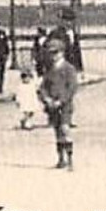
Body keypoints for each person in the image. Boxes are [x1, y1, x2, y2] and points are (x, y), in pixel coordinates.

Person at [37, 34, 81, 170]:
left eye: (56, 53)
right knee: (57, 131)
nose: (53, 56)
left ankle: (70, 158)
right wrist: (46, 99)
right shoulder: (49, 70)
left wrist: (61, 100)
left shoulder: (68, 69)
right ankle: (60, 158)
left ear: (62, 53)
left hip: (64, 105)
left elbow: (72, 87)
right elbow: (43, 87)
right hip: (52, 105)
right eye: (51, 53)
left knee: (65, 129)